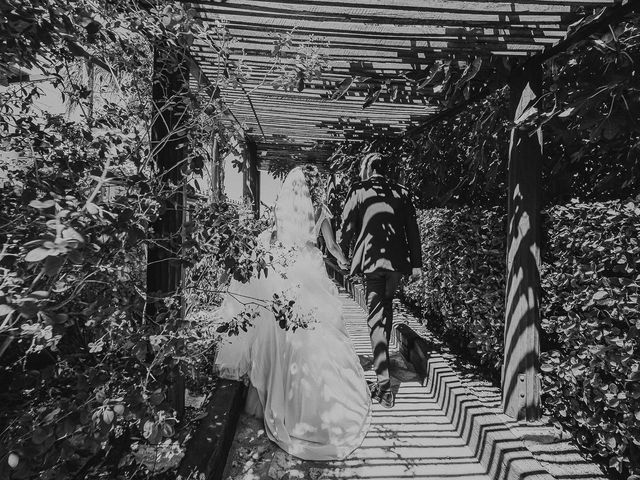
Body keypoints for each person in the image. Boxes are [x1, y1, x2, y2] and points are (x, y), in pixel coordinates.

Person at [214, 167, 371, 461]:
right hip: (311, 269)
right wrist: (345, 263)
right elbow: (333, 246)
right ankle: (321, 400)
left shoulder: (282, 208)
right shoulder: (321, 210)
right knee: (318, 333)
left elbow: (274, 238)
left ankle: (286, 399)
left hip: (286, 270)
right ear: (314, 186)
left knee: (288, 335)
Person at [339, 153, 422, 408]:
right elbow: (412, 229)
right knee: (384, 311)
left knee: (376, 320)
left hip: (372, 264)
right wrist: (417, 264)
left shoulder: (359, 190)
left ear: (367, 168)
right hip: (396, 265)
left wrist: (343, 253)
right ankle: (383, 370)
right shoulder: (401, 192)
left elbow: (346, 226)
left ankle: (384, 386)